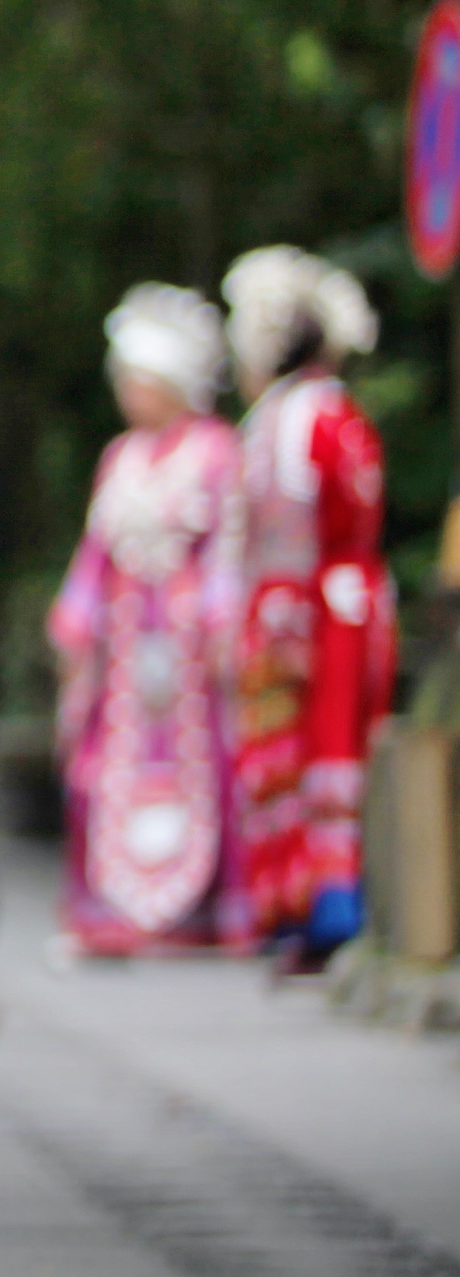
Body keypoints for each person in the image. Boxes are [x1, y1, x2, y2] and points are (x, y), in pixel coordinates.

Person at [49, 284, 245, 955]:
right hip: (127, 644)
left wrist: (223, 630)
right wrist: (77, 640)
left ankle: (199, 909)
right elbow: (95, 559)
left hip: (188, 644)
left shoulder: (217, 451)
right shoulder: (119, 458)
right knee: (114, 767)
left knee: (200, 765)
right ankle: (120, 909)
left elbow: (229, 547)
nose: (130, 392)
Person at [221, 246, 392, 964]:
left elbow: (290, 529)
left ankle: (315, 901)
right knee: (319, 749)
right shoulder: (326, 413)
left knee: (315, 748)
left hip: (302, 607)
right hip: (337, 600)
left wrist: (274, 621)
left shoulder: (286, 421)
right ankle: (310, 898)